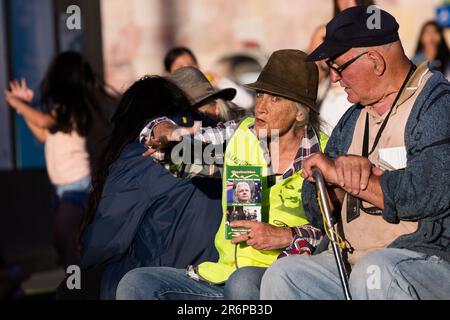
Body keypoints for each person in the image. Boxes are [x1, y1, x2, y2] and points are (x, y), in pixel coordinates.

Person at [261, 6, 450, 300]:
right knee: (284, 275)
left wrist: (361, 181)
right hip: (350, 260)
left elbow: (431, 192)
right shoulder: (352, 119)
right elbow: (312, 207)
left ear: (374, 61)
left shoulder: (436, 105)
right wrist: (331, 184)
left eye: (338, 66)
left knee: (374, 272)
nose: (334, 78)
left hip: (425, 258)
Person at [116, 49, 328, 300]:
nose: (260, 106)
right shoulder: (241, 135)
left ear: (300, 113)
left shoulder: (328, 153)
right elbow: (175, 150)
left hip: (283, 283)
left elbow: (340, 234)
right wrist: (165, 130)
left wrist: (287, 236)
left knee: (243, 282)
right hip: (223, 277)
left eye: (274, 99)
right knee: (136, 283)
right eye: (260, 94)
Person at [71, 76, 222, 300]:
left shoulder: (139, 155)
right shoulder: (214, 142)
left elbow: (105, 238)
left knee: (74, 284)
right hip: (219, 274)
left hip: (166, 277)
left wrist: (80, 265)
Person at [4, 51, 118, 269]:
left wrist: (18, 103)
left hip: (77, 185)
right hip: (63, 187)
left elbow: (44, 122)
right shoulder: (62, 110)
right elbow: (43, 134)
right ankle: (81, 285)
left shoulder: (71, 108)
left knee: (63, 238)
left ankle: (77, 288)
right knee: (69, 243)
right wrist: (23, 111)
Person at [308, 0, 375, 135]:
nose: (347, 2)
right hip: (335, 99)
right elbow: (310, 78)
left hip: (366, 100)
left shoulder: (375, 27)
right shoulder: (324, 33)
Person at [163, 46, 255, 111]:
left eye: (191, 64)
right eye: (180, 66)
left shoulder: (209, 90)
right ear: (168, 73)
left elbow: (247, 102)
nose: (188, 69)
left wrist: (221, 82)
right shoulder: (169, 99)